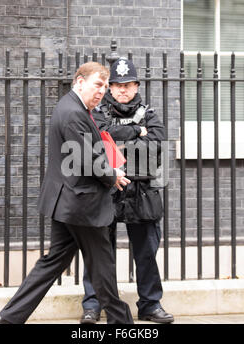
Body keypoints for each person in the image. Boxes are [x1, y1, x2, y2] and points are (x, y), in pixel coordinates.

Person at [0, 61, 134, 324]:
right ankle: (123, 324)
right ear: (79, 81)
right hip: (82, 205)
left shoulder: (70, 107)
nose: (102, 91)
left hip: (67, 202)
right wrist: (111, 175)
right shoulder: (74, 113)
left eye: (105, 86)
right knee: (102, 269)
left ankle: (9, 319)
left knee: (51, 264)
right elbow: (86, 158)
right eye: (97, 84)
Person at [80, 58, 174, 325]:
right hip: (106, 188)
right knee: (99, 252)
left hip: (141, 190)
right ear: (110, 87)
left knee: (146, 252)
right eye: (117, 85)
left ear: (136, 85)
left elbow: (156, 148)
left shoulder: (150, 114)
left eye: (128, 85)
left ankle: (150, 304)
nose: (122, 90)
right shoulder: (97, 113)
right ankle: (93, 304)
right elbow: (96, 141)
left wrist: (116, 144)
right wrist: (136, 133)